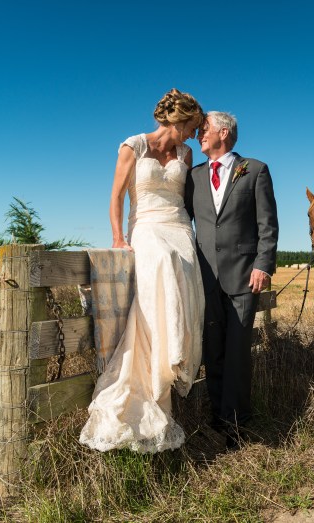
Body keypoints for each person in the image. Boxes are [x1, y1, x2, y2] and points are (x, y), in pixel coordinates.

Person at [79, 89, 205, 453]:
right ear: (178, 120)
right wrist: (118, 237)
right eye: (192, 126)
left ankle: (174, 357)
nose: (194, 134)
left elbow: (186, 201)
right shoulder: (133, 146)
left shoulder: (186, 154)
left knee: (183, 267)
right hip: (147, 224)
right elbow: (117, 195)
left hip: (179, 226)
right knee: (162, 260)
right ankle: (162, 361)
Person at [185, 111, 279, 448]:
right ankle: (217, 417)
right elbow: (183, 220)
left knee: (238, 352)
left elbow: (268, 225)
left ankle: (236, 425)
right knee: (213, 352)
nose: (199, 135)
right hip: (206, 277)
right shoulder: (193, 177)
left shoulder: (255, 170)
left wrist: (263, 265)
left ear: (223, 132)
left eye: (204, 129)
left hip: (243, 276)